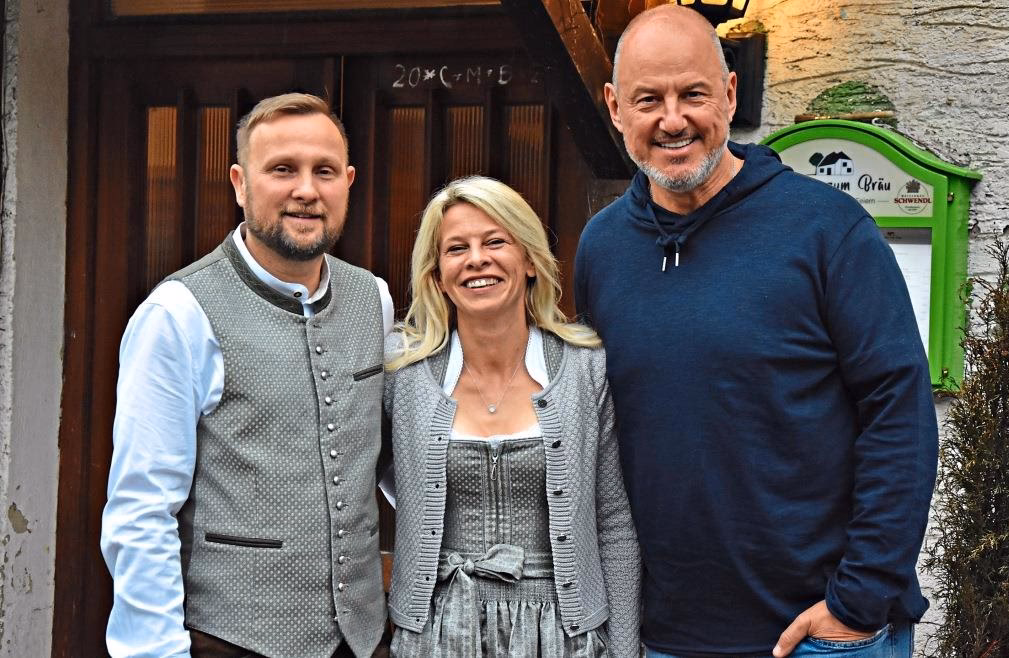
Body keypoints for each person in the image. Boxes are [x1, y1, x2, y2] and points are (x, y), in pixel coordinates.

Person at [573, 6, 938, 658]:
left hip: (823, 637)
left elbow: (899, 413)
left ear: (731, 93)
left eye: (693, 94)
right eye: (648, 100)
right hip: (667, 638)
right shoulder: (602, 249)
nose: (673, 120)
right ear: (615, 107)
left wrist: (859, 600)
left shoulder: (827, 230)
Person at [100, 93, 394, 658]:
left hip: (360, 641)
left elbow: (383, 458)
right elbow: (142, 510)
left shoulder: (373, 299)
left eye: (324, 171)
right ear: (239, 183)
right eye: (282, 169)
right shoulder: (178, 313)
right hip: (228, 639)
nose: (306, 190)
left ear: (348, 182)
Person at [383, 176, 641, 657]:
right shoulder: (404, 375)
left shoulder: (585, 370)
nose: (476, 259)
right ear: (437, 275)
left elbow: (613, 521)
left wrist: (624, 648)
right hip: (436, 632)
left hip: (563, 633)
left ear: (529, 261)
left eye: (495, 242)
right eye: (456, 248)